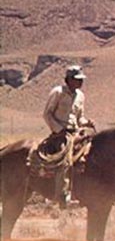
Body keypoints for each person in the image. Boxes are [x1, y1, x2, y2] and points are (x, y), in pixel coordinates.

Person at [42, 64, 94, 208]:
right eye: (77, 79)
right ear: (69, 79)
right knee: (66, 161)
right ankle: (62, 195)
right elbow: (47, 114)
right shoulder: (58, 92)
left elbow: (79, 118)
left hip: (76, 132)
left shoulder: (81, 96)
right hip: (60, 135)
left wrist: (87, 123)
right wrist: (59, 130)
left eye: (81, 79)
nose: (80, 82)